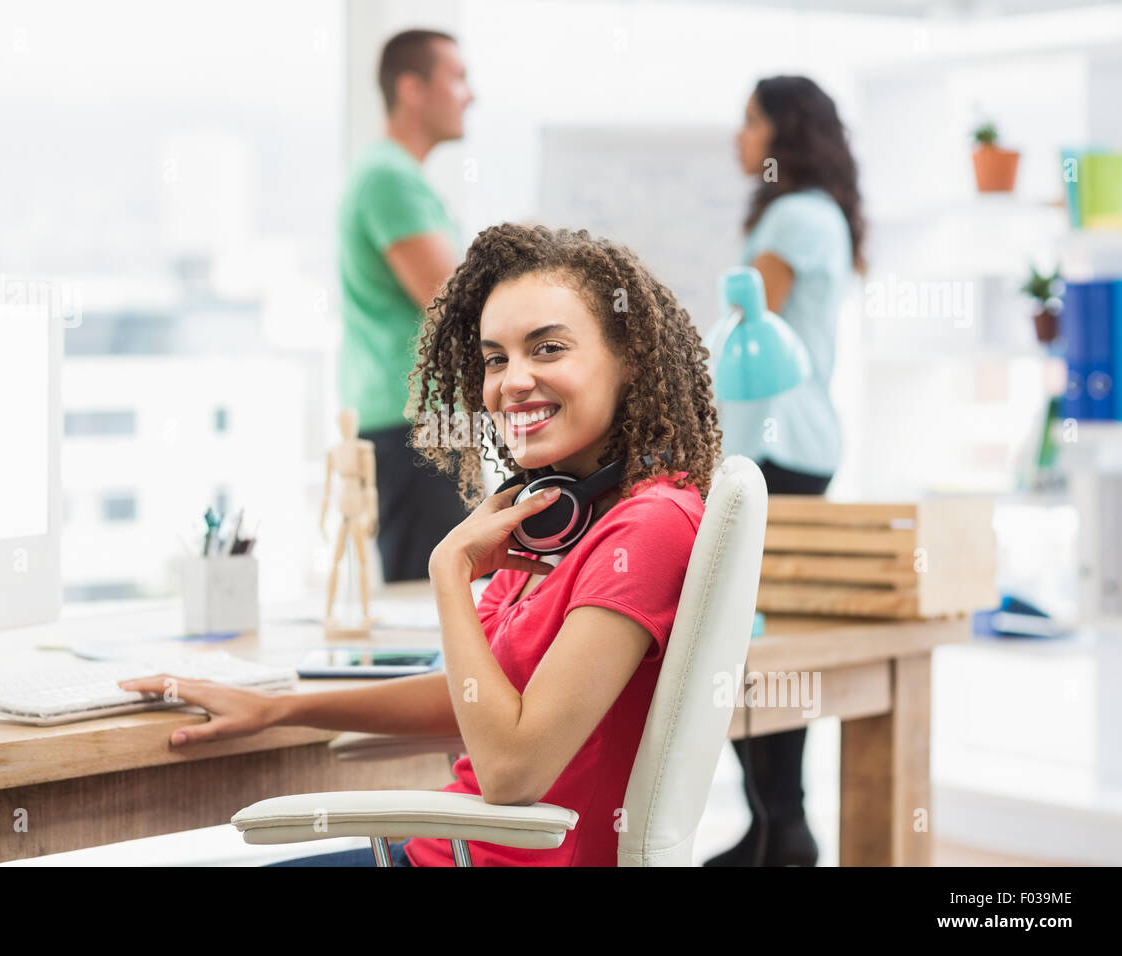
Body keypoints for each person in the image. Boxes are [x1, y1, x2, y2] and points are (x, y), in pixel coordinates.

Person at [120, 223, 724, 866]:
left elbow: (512, 770)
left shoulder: (647, 526)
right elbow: (470, 697)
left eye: (547, 349)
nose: (512, 382)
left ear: (629, 358)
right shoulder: (558, 513)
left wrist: (449, 571)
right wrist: (279, 709)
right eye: (496, 358)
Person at [705, 75, 867, 867]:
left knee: (752, 643)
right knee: (750, 641)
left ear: (785, 133)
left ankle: (784, 826)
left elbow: (747, 318)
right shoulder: (808, 212)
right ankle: (777, 825)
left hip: (778, 449)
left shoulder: (797, 214)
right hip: (787, 448)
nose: (739, 138)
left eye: (749, 121)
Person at [337, 29, 476, 583]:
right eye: (457, 78)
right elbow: (455, 303)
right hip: (417, 424)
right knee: (436, 602)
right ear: (412, 89)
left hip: (424, 422)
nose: (471, 94)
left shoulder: (399, 177)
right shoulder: (389, 178)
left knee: (450, 594)